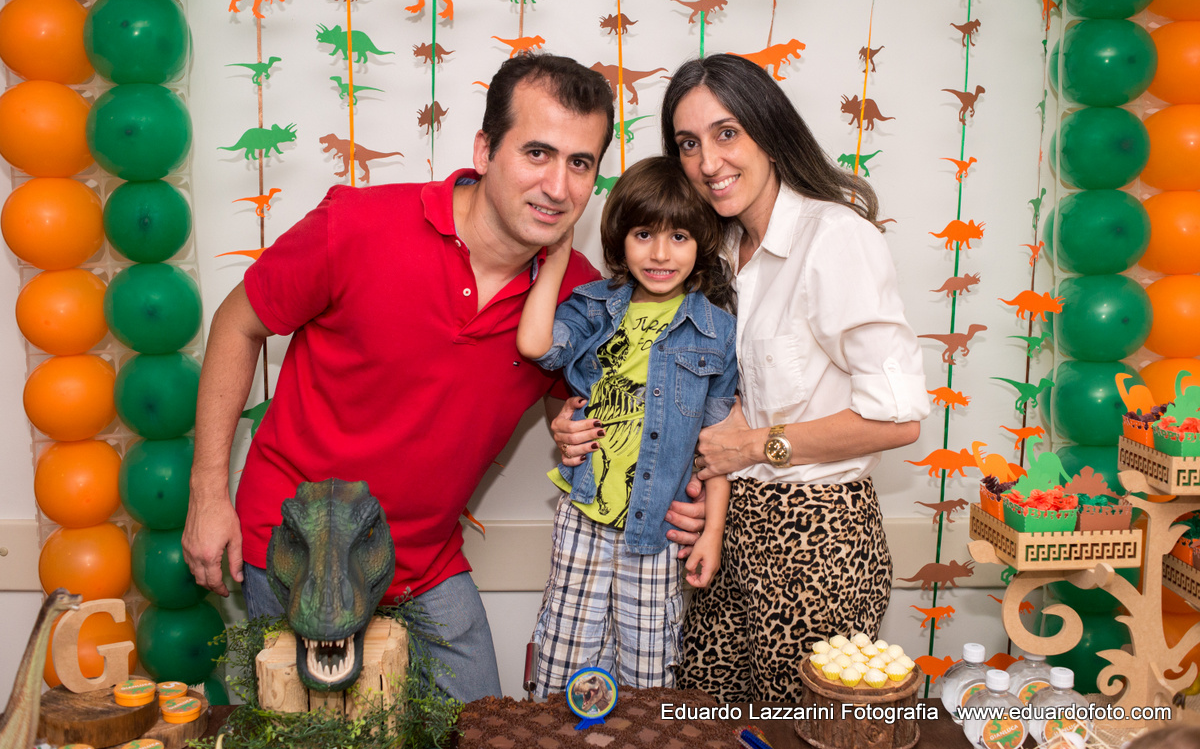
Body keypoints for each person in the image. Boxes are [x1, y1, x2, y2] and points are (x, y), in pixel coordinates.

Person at [179, 54, 707, 704]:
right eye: (537, 152)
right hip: (300, 544)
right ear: (485, 148)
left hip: (424, 563)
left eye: (580, 162)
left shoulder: (580, 296)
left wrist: (576, 431)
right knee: (312, 732)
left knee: (488, 726)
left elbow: (575, 404)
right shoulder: (358, 225)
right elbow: (238, 323)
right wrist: (207, 494)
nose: (558, 185)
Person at [555, 54, 930, 702]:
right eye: (689, 143)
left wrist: (753, 447)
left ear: (768, 129)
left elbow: (898, 418)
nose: (708, 161)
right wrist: (581, 416)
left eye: (727, 133)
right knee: (705, 722)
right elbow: (664, 378)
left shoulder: (834, 239)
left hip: (816, 540)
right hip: (714, 536)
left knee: (798, 731)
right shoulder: (710, 248)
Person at [517, 156, 737, 697]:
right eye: (644, 235)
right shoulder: (594, 308)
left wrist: (711, 530)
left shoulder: (715, 331)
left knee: (646, 682)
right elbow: (535, 346)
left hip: (657, 534)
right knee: (562, 667)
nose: (661, 254)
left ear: (700, 242)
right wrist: (558, 254)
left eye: (679, 236)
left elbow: (717, 445)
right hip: (585, 519)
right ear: (620, 240)